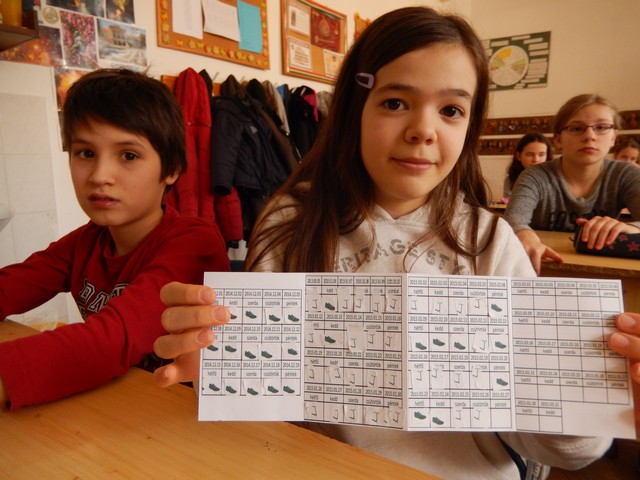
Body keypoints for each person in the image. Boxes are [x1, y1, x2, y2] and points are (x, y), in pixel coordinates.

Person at [152, 8, 615, 479]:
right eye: (395, 102)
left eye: (451, 110)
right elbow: (260, 405)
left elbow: (565, 449)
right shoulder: (292, 221)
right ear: (354, 110)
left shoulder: (489, 241)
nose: (423, 130)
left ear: (470, 127)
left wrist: (584, 393)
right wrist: (216, 364)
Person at [0, 69, 230, 410]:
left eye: (129, 155)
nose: (99, 176)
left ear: (171, 170)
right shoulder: (87, 241)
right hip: (120, 404)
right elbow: (11, 287)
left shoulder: (194, 243)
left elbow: (110, 342)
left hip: (183, 418)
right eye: (85, 153)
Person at [504, 94, 640, 274]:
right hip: (542, 267)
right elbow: (514, 220)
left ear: (614, 137)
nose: (590, 136)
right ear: (558, 139)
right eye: (576, 128)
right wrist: (522, 232)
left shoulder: (627, 174)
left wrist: (631, 228)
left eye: (601, 127)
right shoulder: (535, 175)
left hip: (604, 272)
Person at [503, 132, 553, 200]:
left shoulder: (554, 179)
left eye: (541, 155)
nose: (536, 159)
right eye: (530, 154)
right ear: (519, 156)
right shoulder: (510, 180)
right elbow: (508, 202)